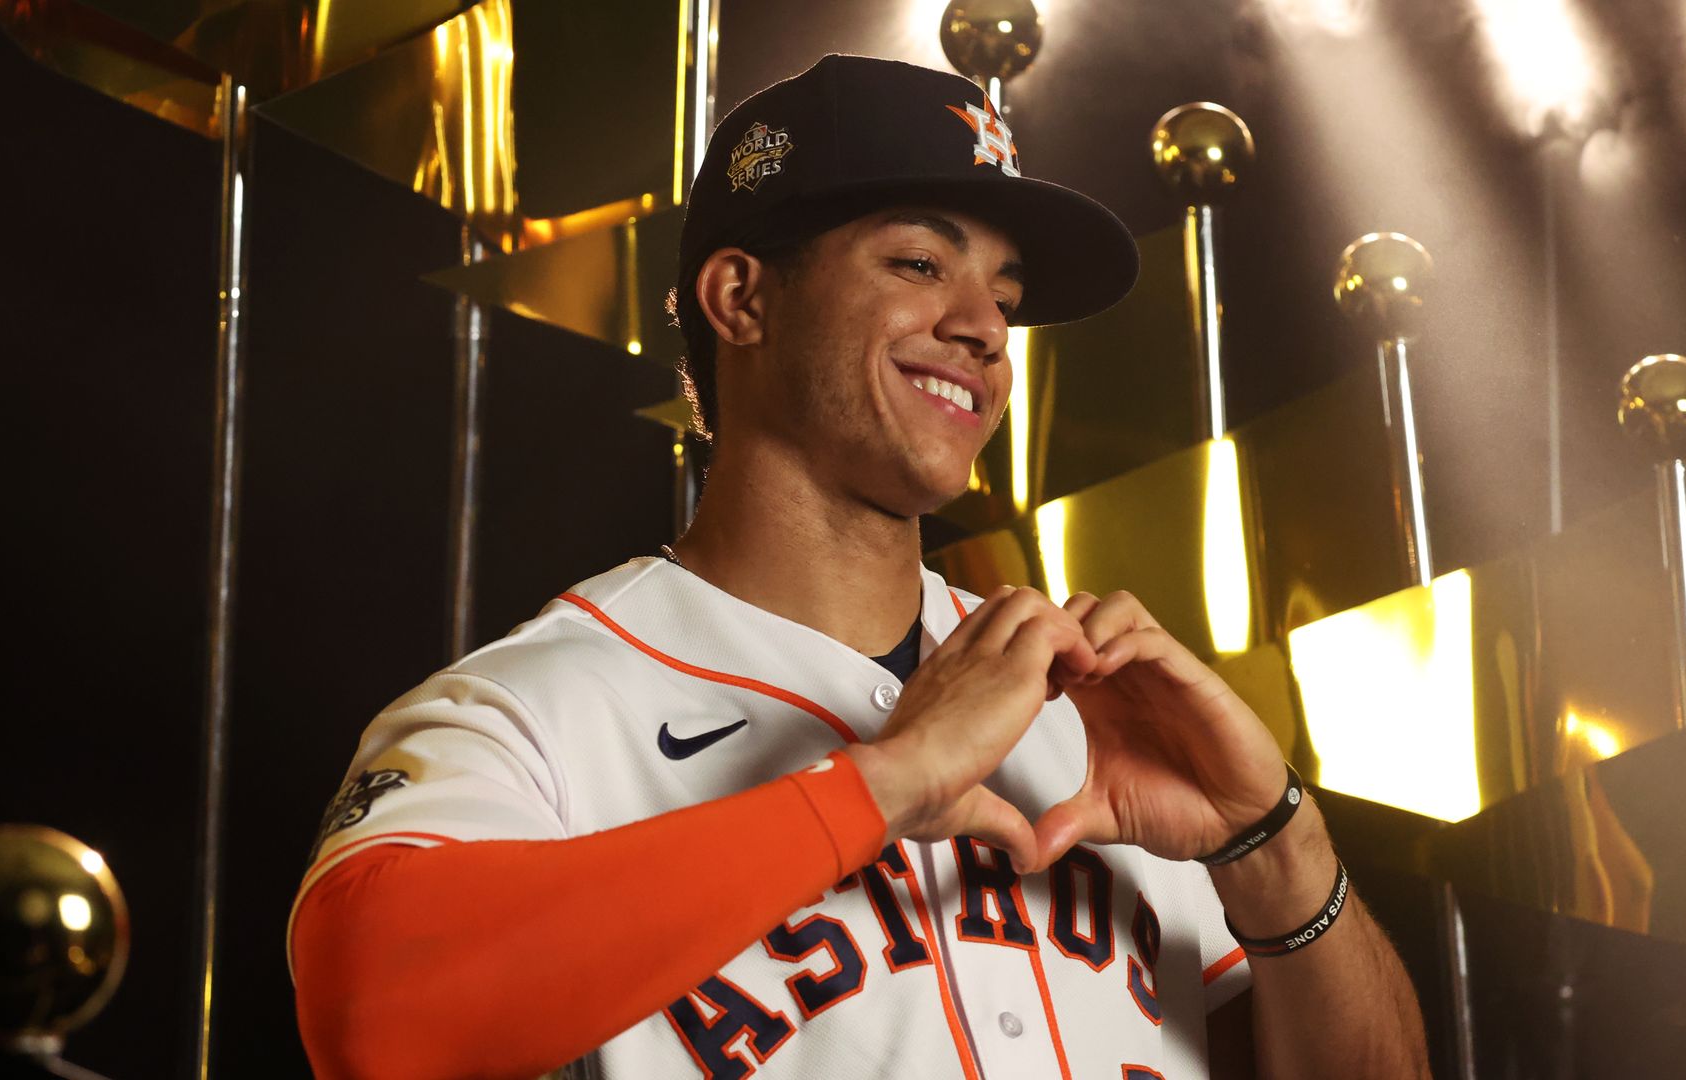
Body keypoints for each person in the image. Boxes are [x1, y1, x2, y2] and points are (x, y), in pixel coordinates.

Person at [289, 54, 1429, 1080]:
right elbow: (374, 1016)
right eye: (922, 261)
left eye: (1007, 296)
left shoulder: (1093, 711)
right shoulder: (543, 706)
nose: (984, 326)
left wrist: (1272, 842)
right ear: (742, 298)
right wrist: (884, 784)